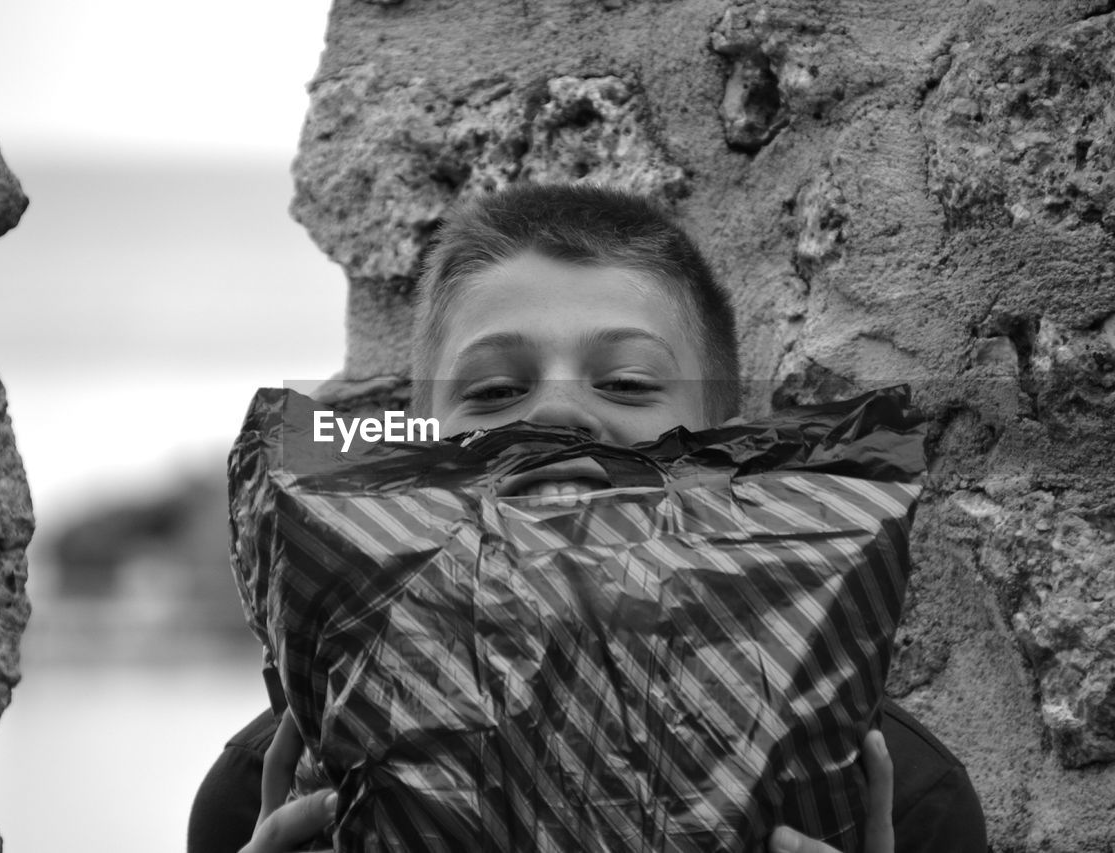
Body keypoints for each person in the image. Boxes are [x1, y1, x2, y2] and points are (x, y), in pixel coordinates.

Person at [188, 184, 987, 853]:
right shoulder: (266, 793)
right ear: (417, 443)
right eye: (496, 391)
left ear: (726, 445)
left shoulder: (904, 796)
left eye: (631, 382)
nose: (561, 412)